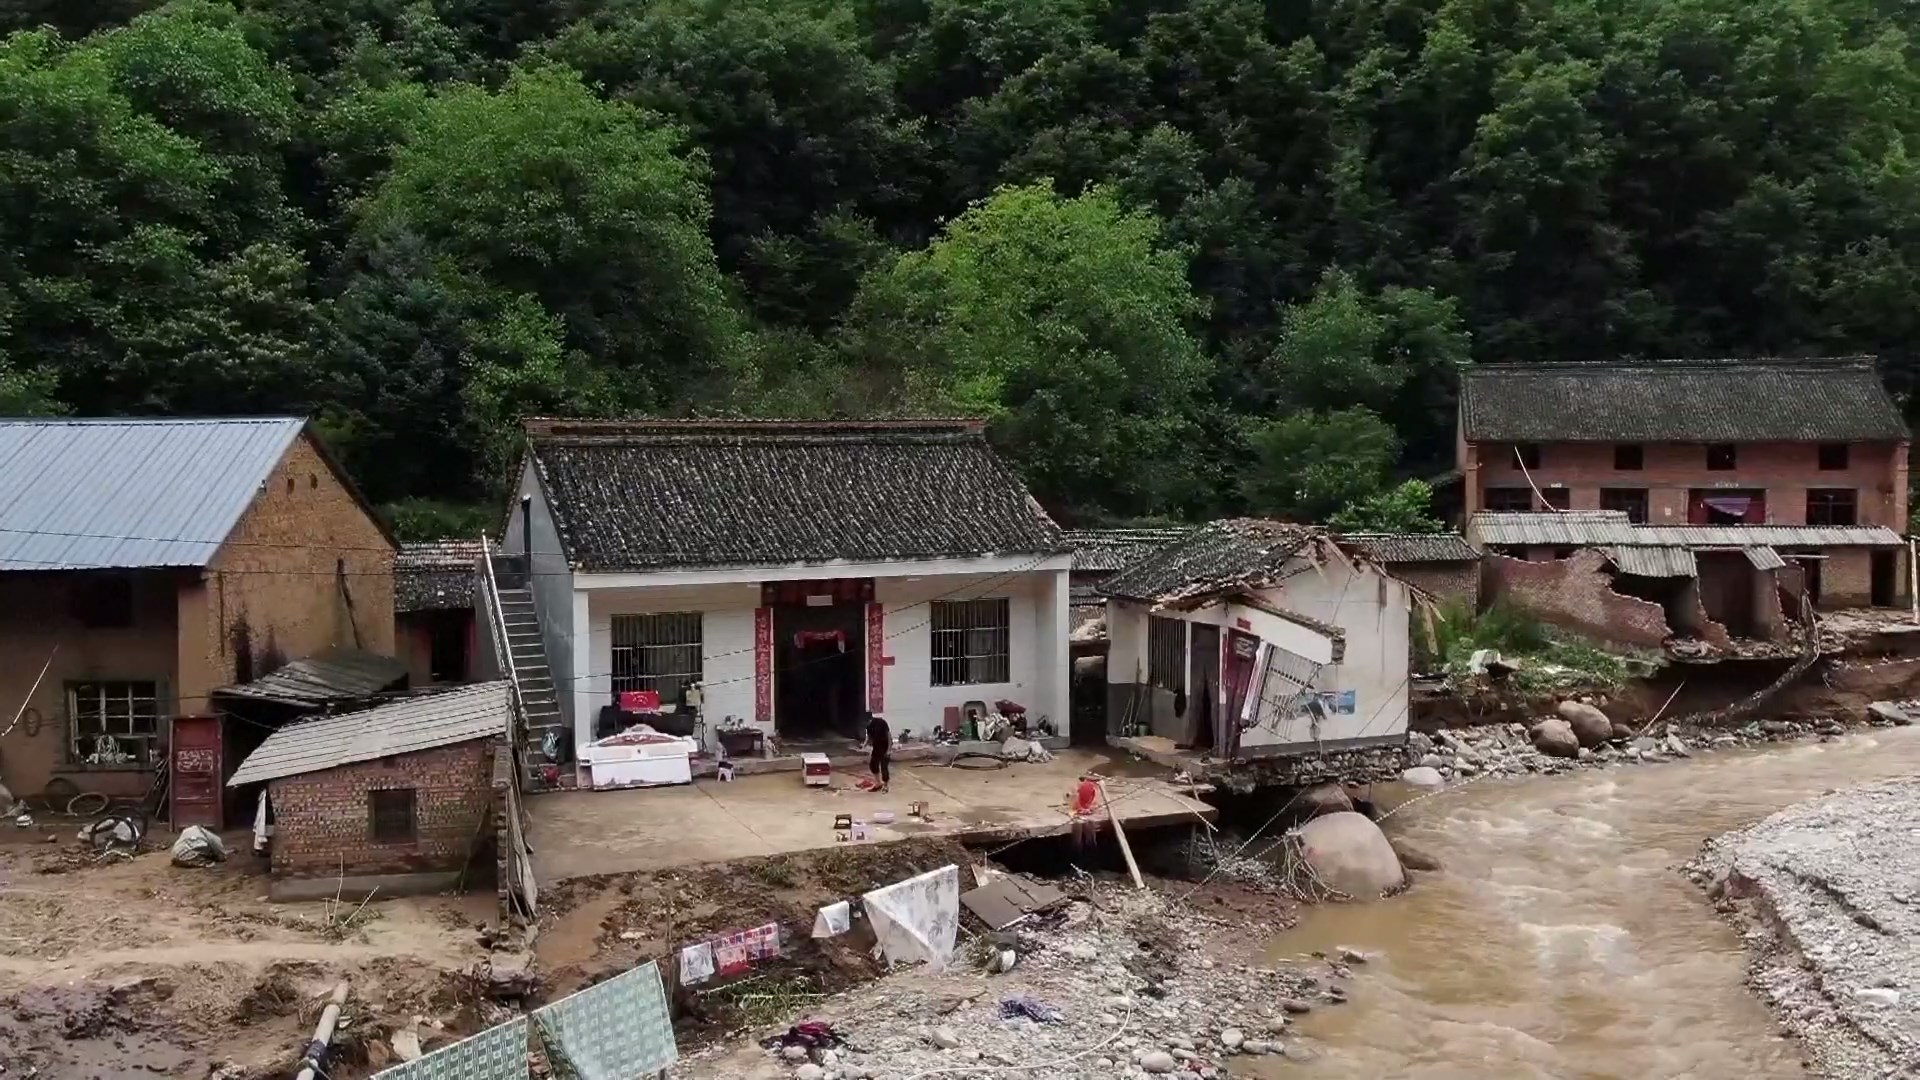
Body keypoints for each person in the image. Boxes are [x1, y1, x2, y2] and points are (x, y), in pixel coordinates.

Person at [865, 713, 891, 792]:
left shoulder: (882, 723)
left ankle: (886, 785)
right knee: (873, 765)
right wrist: (864, 745)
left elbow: (889, 736)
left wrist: (889, 749)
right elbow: (868, 737)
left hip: (885, 747)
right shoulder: (869, 726)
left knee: (884, 767)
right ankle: (878, 783)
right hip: (876, 747)